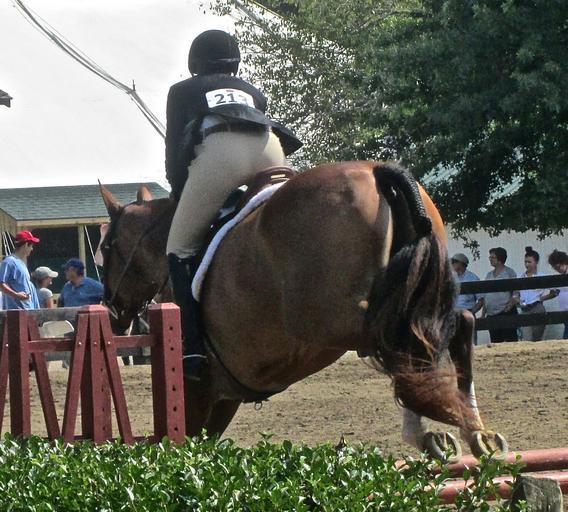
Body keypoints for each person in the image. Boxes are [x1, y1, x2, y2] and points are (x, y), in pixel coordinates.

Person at [165, 30, 302, 380]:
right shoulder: (254, 92)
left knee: (178, 249)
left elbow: (175, 150)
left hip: (221, 153)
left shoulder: (182, 91)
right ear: (235, 63)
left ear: (195, 62)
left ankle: (193, 347)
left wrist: (179, 191)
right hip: (271, 148)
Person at [519, 247, 558, 341]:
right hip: (525, 308)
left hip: (537, 307)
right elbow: (516, 293)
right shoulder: (521, 276)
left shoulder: (541, 276)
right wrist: (519, 301)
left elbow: (555, 291)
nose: (527, 264)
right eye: (525, 262)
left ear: (536, 262)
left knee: (537, 337)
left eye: (529, 262)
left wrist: (542, 298)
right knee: (527, 337)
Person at [482, 247, 519, 343]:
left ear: (500, 259)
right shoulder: (489, 275)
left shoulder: (509, 273)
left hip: (505, 312)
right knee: (495, 341)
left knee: (510, 340)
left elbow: (516, 292)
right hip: (491, 314)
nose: (490, 259)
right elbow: (486, 295)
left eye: (493, 257)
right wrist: (483, 313)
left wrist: (510, 305)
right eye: (490, 257)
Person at [0, 231, 40, 310]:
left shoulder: (21, 263)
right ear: (26, 245)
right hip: (15, 311)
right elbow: (1, 283)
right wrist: (16, 295)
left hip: (28, 309)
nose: (32, 249)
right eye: (31, 246)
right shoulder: (9, 261)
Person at [548, 249, 568, 339]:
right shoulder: (561, 277)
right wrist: (541, 298)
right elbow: (556, 292)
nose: (557, 270)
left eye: (558, 267)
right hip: (565, 312)